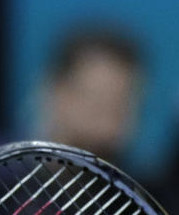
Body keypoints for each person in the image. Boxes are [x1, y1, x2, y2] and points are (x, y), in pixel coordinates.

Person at [37, 25, 146, 169]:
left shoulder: (155, 188)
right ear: (57, 92)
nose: (107, 123)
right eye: (96, 101)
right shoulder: (2, 181)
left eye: (120, 104)